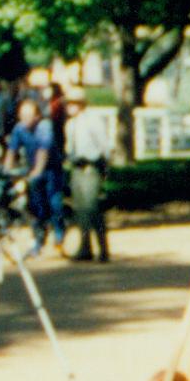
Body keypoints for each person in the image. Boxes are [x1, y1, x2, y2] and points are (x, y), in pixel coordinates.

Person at [1, 96, 61, 256]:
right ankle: (38, 240)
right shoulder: (19, 128)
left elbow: (43, 151)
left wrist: (38, 171)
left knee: (54, 201)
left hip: (50, 168)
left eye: (28, 116)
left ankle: (59, 233)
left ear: (37, 116)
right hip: (32, 168)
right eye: (22, 116)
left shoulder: (44, 126)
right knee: (34, 205)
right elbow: (12, 150)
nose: (25, 120)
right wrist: (6, 171)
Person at [65, 98, 116, 261]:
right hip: (77, 167)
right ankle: (85, 247)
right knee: (80, 209)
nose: (69, 107)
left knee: (92, 208)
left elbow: (104, 145)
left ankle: (103, 249)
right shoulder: (71, 124)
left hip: (90, 167)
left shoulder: (93, 121)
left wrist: (105, 167)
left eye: (72, 103)